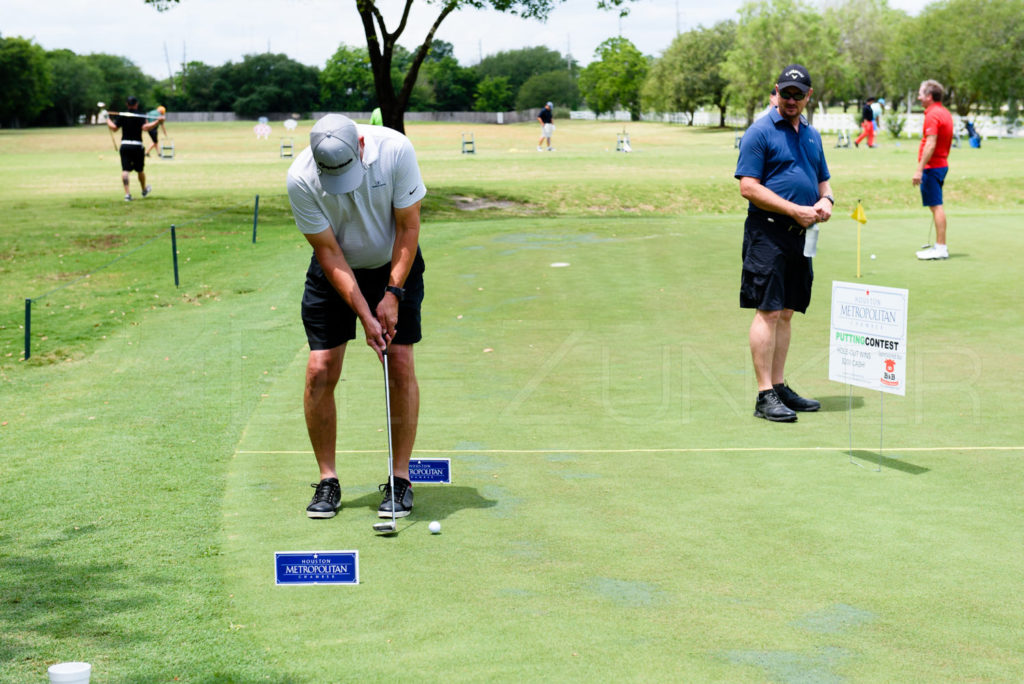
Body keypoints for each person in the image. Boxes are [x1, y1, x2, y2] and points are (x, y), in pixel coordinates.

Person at [286, 113, 427, 520]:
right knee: (319, 368)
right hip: (337, 269)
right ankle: (327, 480)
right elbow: (328, 253)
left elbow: (409, 226)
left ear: (361, 147)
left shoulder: (395, 150)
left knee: (398, 362)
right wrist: (365, 313)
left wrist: (392, 293)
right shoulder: (300, 178)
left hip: (395, 262)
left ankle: (400, 479)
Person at [734, 64, 834, 423]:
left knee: (788, 310)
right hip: (768, 232)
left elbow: (824, 181)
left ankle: (778, 386)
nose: (791, 100)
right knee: (769, 309)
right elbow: (748, 186)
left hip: (800, 236)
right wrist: (795, 209)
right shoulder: (759, 132)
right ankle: (764, 395)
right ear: (776, 92)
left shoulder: (811, 134)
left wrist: (826, 202)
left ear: (808, 96)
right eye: (785, 93)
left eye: (798, 94)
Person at [913, 80, 954, 260]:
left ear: (929, 96)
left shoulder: (933, 115)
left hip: (933, 166)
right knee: (936, 206)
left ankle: (940, 248)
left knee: (936, 207)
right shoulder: (944, 112)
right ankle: (939, 246)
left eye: (921, 94)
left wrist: (919, 170)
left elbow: (930, 144)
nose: (919, 97)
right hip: (941, 164)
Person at [107, 96, 163, 201]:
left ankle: (127, 194)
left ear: (127, 104)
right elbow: (146, 128)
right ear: (136, 104)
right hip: (137, 145)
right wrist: (157, 122)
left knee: (125, 170)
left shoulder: (122, 115)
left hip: (125, 145)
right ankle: (144, 190)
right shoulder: (140, 115)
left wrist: (107, 119)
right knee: (140, 169)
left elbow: (114, 128)